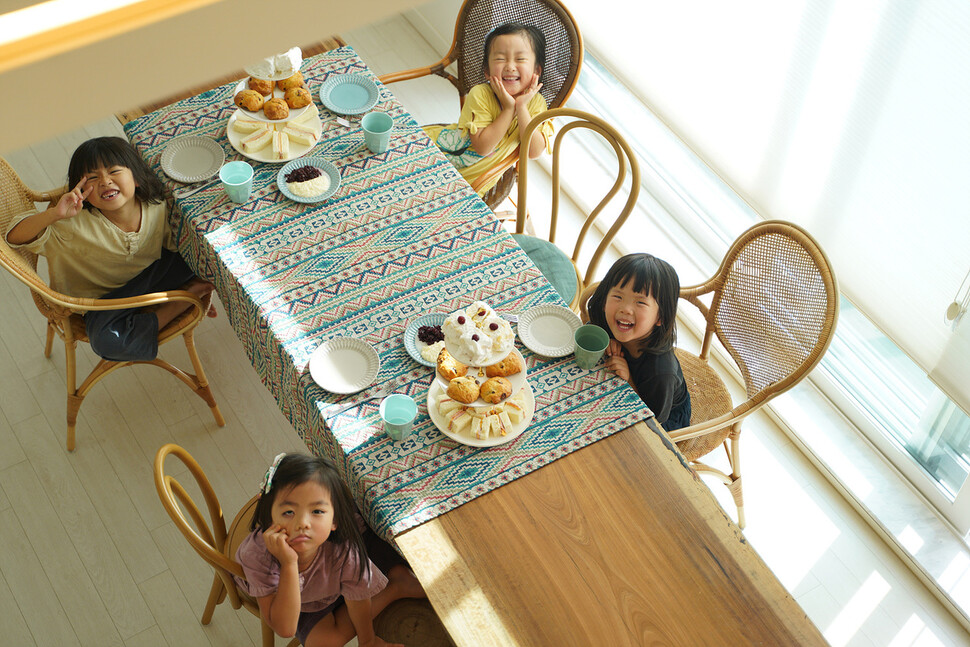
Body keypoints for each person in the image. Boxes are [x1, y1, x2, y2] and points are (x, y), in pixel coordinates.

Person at [4, 136, 215, 362]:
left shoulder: (156, 204)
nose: (105, 181)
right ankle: (188, 297)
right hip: (104, 301)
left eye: (114, 171)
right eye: (92, 177)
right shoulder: (69, 227)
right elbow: (13, 237)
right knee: (108, 341)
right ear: (80, 189)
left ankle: (187, 291)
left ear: (136, 177)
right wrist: (54, 214)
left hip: (152, 275)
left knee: (207, 250)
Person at [235, 453, 425, 647]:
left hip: (330, 583)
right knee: (323, 643)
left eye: (317, 511)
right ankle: (396, 586)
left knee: (359, 570)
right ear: (268, 517)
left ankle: (398, 582)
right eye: (288, 512)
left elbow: (358, 599)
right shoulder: (257, 556)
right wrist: (289, 563)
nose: (302, 523)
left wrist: (367, 641)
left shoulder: (344, 552)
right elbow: (284, 628)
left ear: (334, 520)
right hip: (292, 598)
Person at [426, 22, 555, 195]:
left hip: (471, 183)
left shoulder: (536, 104)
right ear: (487, 71)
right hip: (440, 154)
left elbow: (534, 151)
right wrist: (509, 109)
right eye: (500, 59)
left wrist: (521, 107)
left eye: (520, 59)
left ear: (536, 70)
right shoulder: (480, 94)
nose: (509, 66)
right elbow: (482, 147)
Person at [587, 253, 692, 431]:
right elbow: (591, 328)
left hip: (662, 417)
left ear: (660, 316)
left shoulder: (661, 373)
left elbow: (652, 420)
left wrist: (629, 382)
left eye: (640, 303)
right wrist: (606, 340)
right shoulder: (610, 320)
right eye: (618, 297)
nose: (625, 309)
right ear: (605, 300)